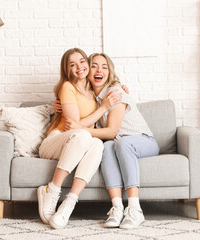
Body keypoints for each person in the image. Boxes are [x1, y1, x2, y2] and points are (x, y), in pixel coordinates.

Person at [63, 53, 160, 229]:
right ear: (88, 72)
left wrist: (82, 130)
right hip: (118, 143)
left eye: (104, 67)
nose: (99, 70)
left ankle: (135, 209)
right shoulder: (92, 96)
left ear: (109, 72)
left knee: (120, 141)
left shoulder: (115, 92)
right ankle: (117, 208)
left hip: (143, 140)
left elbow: (112, 131)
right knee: (106, 146)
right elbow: (75, 107)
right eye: (94, 66)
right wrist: (57, 105)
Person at [37, 48, 121, 229]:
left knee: (98, 143)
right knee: (83, 134)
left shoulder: (93, 90)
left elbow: (111, 82)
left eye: (82, 62)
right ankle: (51, 190)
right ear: (67, 69)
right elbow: (74, 126)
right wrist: (104, 108)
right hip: (56, 140)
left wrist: (121, 87)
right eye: (72, 64)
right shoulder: (67, 87)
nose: (79, 67)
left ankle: (69, 203)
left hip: (80, 142)